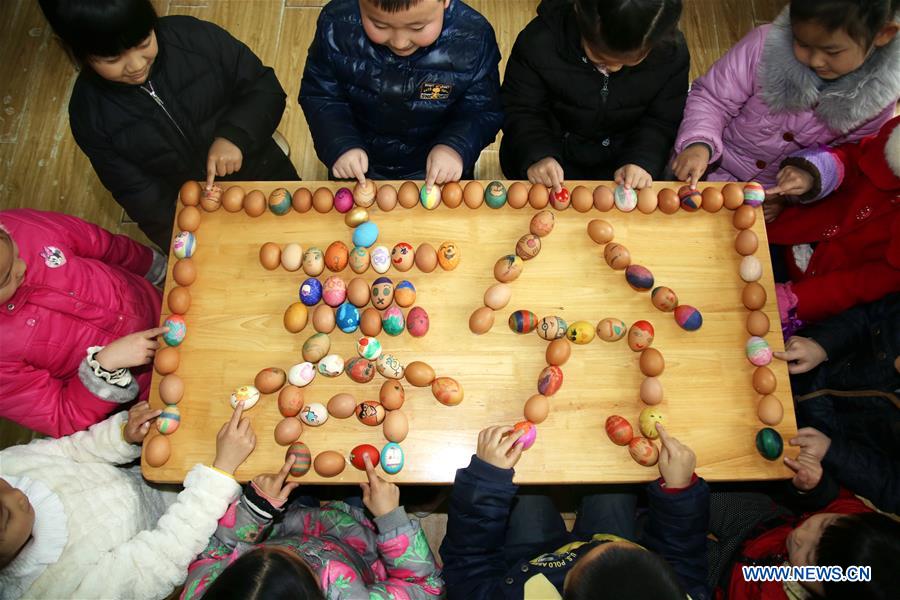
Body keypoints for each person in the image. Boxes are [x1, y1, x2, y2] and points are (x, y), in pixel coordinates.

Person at [38, 0, 300, 250]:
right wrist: (175, 237)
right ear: (73, 51)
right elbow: (139, 194)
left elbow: (264, 89)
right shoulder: (91, 116)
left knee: (300, 224)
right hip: (193, 205)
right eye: (111, 59)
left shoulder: (194, 39)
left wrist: (235, 136)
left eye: (144, 43)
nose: (137, 65)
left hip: (262, 165)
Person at [0, 401, 257, 599]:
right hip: (195, 525)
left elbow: (71, 450)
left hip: (156, 475)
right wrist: (218, 474)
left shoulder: (8, 465)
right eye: (5, 517)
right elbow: (162, 556)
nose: (19, 496)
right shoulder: (59, 590)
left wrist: (122, 436)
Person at [439, 424, 709, 600]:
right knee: (615, 477)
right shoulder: (680, 593)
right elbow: (682, 556)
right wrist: (679, 493)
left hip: (530, 562)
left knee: (527, 493)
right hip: (608, 538)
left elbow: (469, 564)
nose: (592, 548)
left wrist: (486, 481)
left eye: (584, 560)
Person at [672, 0, 900, 190]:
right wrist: (699, 143)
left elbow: (852, 154)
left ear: (883, 34)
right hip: (705, 168)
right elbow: (712, 98)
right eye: (802, 43)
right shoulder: (763, 46)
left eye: (832, 51)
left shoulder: (877, 100)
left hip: (770, 196)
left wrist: (811, 174)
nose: (815, 60)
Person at [299, 0, 503, 188]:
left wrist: (456, 147)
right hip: (359, 161)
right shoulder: (335, 26)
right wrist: (340, 143)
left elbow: (482, 109)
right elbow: (321, 95)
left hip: (438, 166)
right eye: (379, 25)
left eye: (417, 27)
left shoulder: (473, 39)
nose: (400, 42)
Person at [181, 454, 444, 599]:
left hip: (286, 522)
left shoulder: (204, 593)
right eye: (300, 564)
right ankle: (417, 505)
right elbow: (428, 586)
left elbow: (212, 550)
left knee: (294, 466)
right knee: (376, 476)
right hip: (357, 539)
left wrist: (255, 510)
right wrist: (391, 521)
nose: (296, 554)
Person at [0, 208, 166, 437]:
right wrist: (104, 366)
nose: (22, 267)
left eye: (15, 251)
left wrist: (158, 270)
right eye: (6, 277)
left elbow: (105, 245)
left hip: (159, 305)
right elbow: (60, 416)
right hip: (148, 388)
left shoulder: (22, 227)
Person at [500, 0, 688, 193]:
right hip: (551, 155)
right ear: (579, 13)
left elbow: (662, 120)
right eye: (599, 58)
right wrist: (537, 154)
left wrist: (642, 160)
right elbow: (520, 107)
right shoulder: (539, 42)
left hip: (620, 167)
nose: (614, 68)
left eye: (631, 61)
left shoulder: (670, 56)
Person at [709, 443, 900, 599]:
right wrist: (816, 487)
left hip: (723, 581)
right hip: (760, 523)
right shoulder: (862, 529)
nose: (800, 534)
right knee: (699, 492)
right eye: (824, 525)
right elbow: (838, 500)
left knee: (680, 553)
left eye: (808, 559)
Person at [764, 115, 900, 333]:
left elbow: (872, 280)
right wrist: (814, 173)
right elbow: (852, 158)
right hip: (790, 234)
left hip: (819, 292)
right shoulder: (893, 143)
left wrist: (799, 300)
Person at [772, 292, 900, 513]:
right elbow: (868, 316)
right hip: (801, 364)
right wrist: (822, 345)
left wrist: (833, 452)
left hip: (813, 436)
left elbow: (893, 488)